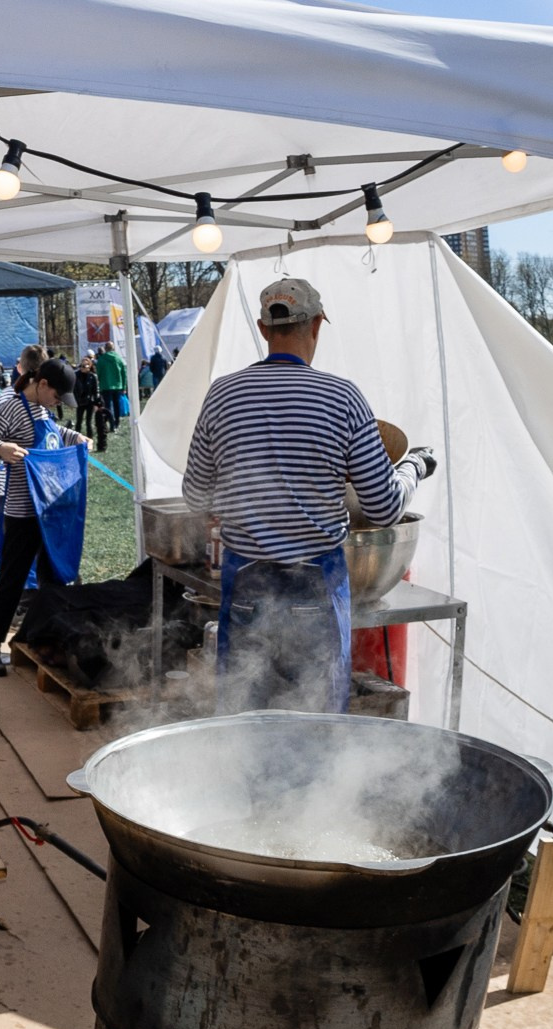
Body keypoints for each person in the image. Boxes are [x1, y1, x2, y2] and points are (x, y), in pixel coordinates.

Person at [179, 278, 436, 715]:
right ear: (317, 324)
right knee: (313, 723)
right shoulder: (343, 398)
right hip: (316, 588)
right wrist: (414, 465)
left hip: (246, 586)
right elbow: (384, 507)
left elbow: (196, 496)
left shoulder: (222, 395)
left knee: (246, 716)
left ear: (264, 329)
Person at [0, 357, 91, 674]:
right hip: (22, 513)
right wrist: (1, 449)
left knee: (53, 579)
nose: (57, 403)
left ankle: (43, 641)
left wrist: (74, 438)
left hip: (49, 512)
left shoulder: (42, 410)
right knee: (12, 580)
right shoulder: (12, 407)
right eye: (56, 396)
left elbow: (53, 431)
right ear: (43, 384)